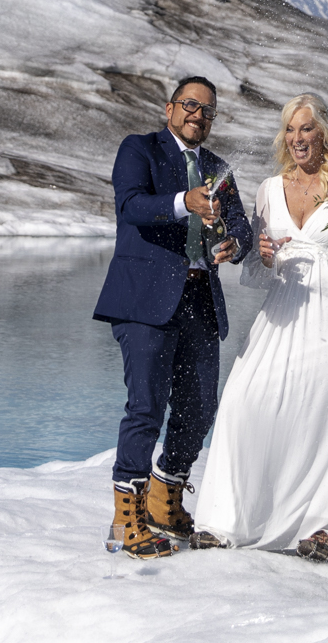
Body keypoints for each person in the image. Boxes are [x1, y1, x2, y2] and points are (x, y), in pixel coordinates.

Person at [194, 93, 328, 564]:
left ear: (322, 132)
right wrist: (264, 255)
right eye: (290, 129)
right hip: (286, 305)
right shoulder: (269, 188)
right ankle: (228, 521)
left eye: (306, 128)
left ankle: (326, 528)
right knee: (245, 400)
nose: (297, 138)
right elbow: (258, 261)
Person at [92, 76, 255, 558]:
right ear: (169, 110)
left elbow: (241, 226)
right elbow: (131, 207)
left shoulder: (218, 168)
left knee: (201, 407)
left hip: (200, 301)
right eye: (190, 105)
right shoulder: (138, 150)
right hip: (144, 303)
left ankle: (166, 498)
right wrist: (184, 202)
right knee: (146, 407)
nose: (197, 115)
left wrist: (235, 244)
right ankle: (127, 522)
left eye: (207, 111)